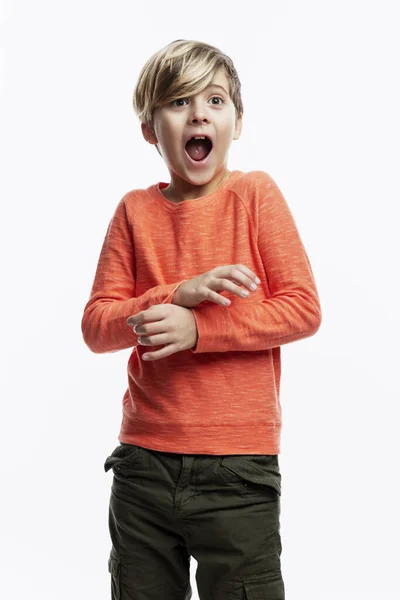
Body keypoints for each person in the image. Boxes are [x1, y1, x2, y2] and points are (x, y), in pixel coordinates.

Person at [81, 38, 322, 600]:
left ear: (237, 123)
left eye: (214, 101)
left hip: (238, 470)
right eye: (179, 101)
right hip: (143, 466)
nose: (198, 114)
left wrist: (200, 331)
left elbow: (303, 308)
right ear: (150, 129)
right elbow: (97, 326)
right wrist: (174, 295)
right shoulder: (134, 211)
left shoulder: (255, 195)